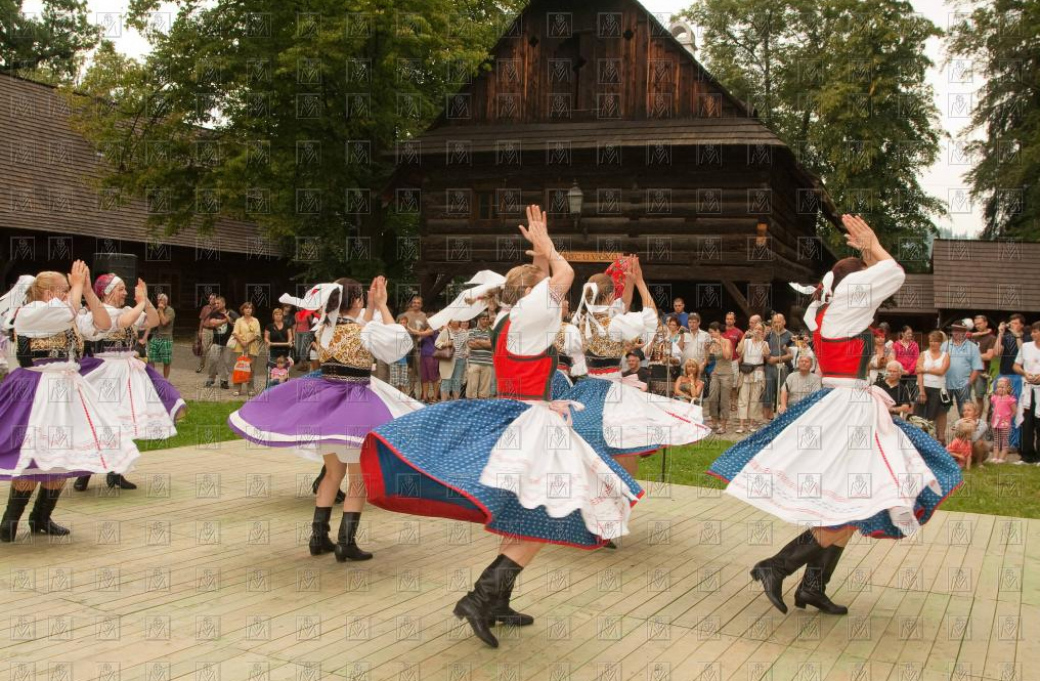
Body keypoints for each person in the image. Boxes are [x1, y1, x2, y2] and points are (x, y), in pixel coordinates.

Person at [360, 205, 642, 649]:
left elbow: (542, 289)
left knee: (522, 511)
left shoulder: (510, 317)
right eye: (548, 291)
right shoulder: (531, 316)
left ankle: (498, 601)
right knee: (545, 514)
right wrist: (550, 251)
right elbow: (563, 280)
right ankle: (479, 598)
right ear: (534, 296)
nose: (560, 298)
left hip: (519, 413)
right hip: (531, 424)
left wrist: (539, 256)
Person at [709, 214, 961, 617]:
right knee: (855, 503)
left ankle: (812, 587)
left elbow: (878, 281)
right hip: (849, 410)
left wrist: (866, 255)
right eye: (864, 281)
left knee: (850, 502)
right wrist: (873, 245)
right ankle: (776, 566)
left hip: (844, 405)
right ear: (854, 287)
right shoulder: (845, 309)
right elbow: (894, 273)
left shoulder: (825, 313)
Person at [228, 277, 422, 561]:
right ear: (355, 301)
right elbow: (398, 345)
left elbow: (358, 326)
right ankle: (346, 542)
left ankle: (318, 537)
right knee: (359, 478)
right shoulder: (363, 330)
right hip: (357, 405)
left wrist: (369, 306)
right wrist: (381, 304)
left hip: (329, 405)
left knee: (333, 473)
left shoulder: (325, 328)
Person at [0, 265, 139, 541]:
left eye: (69, 289)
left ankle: (41, 516)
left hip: (66, 390)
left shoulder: (70, 312)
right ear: (49, 291)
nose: (69, 293)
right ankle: (9, 522)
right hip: (36, 389)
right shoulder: (30, 312)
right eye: (65, 288)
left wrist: (87, 290)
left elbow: (102, 323)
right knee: (33, 456)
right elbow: (66, 312)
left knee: (63, 455)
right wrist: (76, 289)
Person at [566, 255, 710, 478]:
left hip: (587, 389)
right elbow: (651, 317)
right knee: (624, 446)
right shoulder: (614, 323)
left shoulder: (581, 321)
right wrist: (641, 282)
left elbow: (622, 305)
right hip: (612, 392)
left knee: (590, 442)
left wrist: (629, 281)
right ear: (610, 295)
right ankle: (623, 492)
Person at [74, 273, 185, 492]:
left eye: (126, 289)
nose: (125, 292)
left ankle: (116, 473)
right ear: (107, 292)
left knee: (123, 423)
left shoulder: (127, 310)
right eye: (121, 288)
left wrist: (145, 299)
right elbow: (122, 322)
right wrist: (141, 302)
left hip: (127, 370)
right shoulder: (97, 314)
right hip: (104, 371)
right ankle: (84, 473)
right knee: (97, 423)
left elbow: (152, 321)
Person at [916, 330, 951, 444]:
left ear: (940, 342)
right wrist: (921, 390)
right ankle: (918, 439)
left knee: (932, 415)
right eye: (931, 340)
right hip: (924, 386)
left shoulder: (945, 356)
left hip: (938, 388)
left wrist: (925, 369)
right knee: (918, 415)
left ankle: (930, 440)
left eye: (936, 341)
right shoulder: (923, 354)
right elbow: (918, 372)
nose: (933, 343)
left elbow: (941, 371)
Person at [943, 320, 984, 417]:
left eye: (959, 330)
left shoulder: (973, 347)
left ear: (965, 332)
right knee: (942, 411)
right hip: (946, 383)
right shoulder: (945, 345)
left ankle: (966, 431)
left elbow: (977, 367)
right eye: (954, 330)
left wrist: (969, 382)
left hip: (963, 384)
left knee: (965, 412)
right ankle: (940, 433)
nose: (956, 332)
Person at [1013, 320, 1040, 465]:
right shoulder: (1025, 346)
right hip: (1028, 389)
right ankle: (1026, 455)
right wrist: (1025, 373)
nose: (1033, 334)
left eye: (1036, 331)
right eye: (1032, 332)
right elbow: (1016, 365)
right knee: (1026, 422)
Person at [735, 323, 768, 433]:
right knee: (743, 398)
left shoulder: (765, 343)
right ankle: (741, 425)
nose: (758, 331)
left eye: (760, 329)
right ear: (752, 330)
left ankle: (751, 424)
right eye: (756, 329)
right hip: (746, 371)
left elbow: (767, 355)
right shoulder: (746, 341)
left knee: (754, 399)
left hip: (758, 372)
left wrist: (761, 340)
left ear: (763, 332)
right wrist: (745, 336)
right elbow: (738, 351)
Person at [763, 313, 794, 421]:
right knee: (768, 390)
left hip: (784, 367)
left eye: (779, 321)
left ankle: (781, 415)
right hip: (769, 367)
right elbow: (764, 349)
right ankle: (768, 418)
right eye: (774, 322)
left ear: (784, 322)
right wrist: (768, 358)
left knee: (783, 390)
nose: (777, 324)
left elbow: (791, 355)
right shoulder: (769, 335)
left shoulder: (790, 336)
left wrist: (775, 359)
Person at [704, 321, 734, 434]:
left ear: (718, 331)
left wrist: (720, 343)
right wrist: (706, 349)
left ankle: (723, 425)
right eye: (710, 333)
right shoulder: (712, 343)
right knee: (712, 398)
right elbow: (708, 360)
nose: (711, 335)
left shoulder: (727, 341)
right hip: (715, 373)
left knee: (724, 400)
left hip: (727, 374)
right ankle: (714, 422)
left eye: (712, 332)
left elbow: (727, 356)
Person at [229, 302, 262, 397]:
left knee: (251, 369)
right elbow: (235, 332)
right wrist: (242, 342)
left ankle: (250, 388)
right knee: (239, 367)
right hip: (240, 347)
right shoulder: (239, 320)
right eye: (246, 308)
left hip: (252, 347)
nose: (248, 310)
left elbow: (257, 334)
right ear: (242, 310)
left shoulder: (255, 320)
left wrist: (247, 342)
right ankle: (237, 388)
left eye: (250, 308)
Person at [970, 314, 997, 416]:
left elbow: (989, 356)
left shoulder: (991, 338)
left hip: (981, 372)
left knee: (979, 397)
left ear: (986, 323)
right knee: (966, 396)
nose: (977, 326)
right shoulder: (973, 337)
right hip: (968, 371)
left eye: (979, 323)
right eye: (976, 324)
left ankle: (978, 422)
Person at [203, 297, 233, 389]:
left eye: (218, 303)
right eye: (215, 303)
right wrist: (225, 320)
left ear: (224, 304)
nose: (216, 305)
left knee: (226, 362)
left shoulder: (231, 313)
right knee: (213, 360)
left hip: (228, 342)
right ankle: (211, 378)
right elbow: (212, 323)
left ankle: (224, 381)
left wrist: (228, 318)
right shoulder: (214, 313)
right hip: (216, 342)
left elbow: (235, 323)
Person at [436, 319, 468, 401]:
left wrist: (467, 352)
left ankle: (455, 403)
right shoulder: (445, 331)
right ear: (450, 321)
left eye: (456, 320)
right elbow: (437, 343)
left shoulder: (464, 332)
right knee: (446, 380)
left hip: (461, 360)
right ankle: (443, 404)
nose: (455, 322)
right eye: (453, 320)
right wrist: (445, 343)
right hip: (448, 359)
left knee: (457, 382)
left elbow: (467, 345)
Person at [465, 312, 495, 398]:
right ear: (479, 320)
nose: (485, 321)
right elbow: (471, 345)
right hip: (474, 362)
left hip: (487, 363)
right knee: (472, 387)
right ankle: (470, 406)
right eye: (483, 319)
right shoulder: (472, 331)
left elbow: (492, 345)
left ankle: (482, 406)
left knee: (484, 389)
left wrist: (478, 341)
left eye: (487, 319)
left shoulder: (492, 331)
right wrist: (486, 343)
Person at [147, 293, 175, 379]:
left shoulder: (170, 310)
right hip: (156, 337)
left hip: (166, 339)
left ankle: (165, 380)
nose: (159, 301)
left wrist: (161, 310)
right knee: (150, 358)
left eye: (161, 300)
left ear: (166, 301)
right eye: (158, 300)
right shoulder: (157, 310)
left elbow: (164, 322)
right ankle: (153, 378)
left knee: (166, 361)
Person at [990, 377, 1016, 464]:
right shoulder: (995, 398)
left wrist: (1008, 418)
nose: (1000, 389)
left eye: (1003, 387)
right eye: (998, 387)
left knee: (1005, 441)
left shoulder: (1010, 399)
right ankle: (995, 457)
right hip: (996, 422)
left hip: (1005, 423)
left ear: (1008, 388)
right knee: (996, 441)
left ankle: (1002, 458)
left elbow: (1014, 411)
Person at [893, 325, 920, 402]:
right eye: (908, 333)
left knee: (913, 395)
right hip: (900, 373)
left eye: (911, 333)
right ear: (902, 333)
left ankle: (911, 413)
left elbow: (916, 359)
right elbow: (894, 359)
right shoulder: (896, 345)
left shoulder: (915, 345)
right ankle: (899, 411)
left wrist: (909, 371)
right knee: (898, 394)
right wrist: (901, 370)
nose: (910, 335)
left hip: (912, 374)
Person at [294, 305, 318, 372]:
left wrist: (311, 333)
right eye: (298, 306)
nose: (300, 307)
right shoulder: (296, 314)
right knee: (297, 348)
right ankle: (303, 363)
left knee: (303, 348)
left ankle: (304, 365)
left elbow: (311, 323)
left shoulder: (308, 313)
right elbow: (296, 324)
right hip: (298, 332)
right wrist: (294, 333)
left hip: (306, 332)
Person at [196, 293, 216, 372]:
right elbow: (202, 320)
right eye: (211, 298)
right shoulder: (205, 308)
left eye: (214, 299)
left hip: (214, 331)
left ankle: (214, 368)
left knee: (214, 351)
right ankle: (201, 366)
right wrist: (200, 331)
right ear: (209, 299)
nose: (212, 300)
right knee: (204, 349)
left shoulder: (218, 309)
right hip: (206, 330)